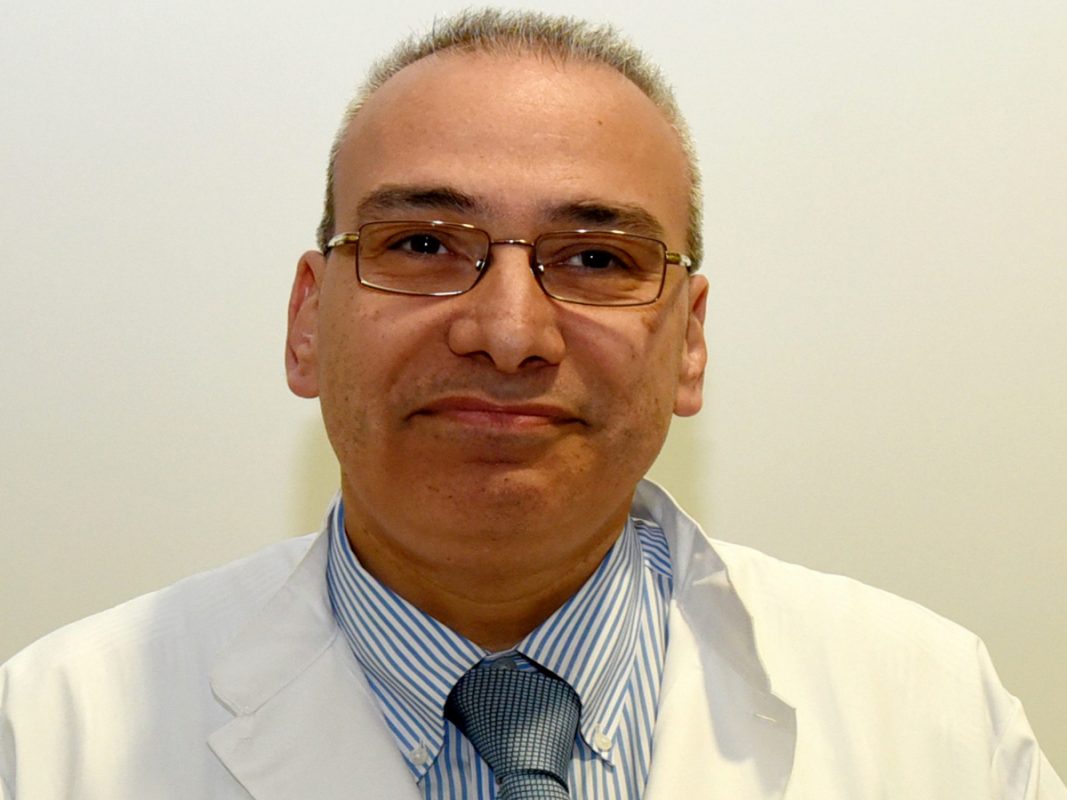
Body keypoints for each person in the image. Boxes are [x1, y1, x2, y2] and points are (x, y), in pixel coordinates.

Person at [0, 8, 1062, 799]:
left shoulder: (931, 717)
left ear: (688, 342)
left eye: (596, 257)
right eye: (422, 244)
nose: (507, 331)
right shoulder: (48, 738)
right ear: (307, 322)